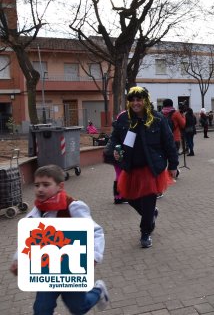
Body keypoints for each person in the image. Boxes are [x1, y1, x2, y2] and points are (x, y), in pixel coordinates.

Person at [10, 164, 109, 314]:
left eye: (46, 184)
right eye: (37, 185)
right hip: (47, 270)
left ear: (60, 186)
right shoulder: (36, 212)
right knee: (41, 309)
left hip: (71, 269)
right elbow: (28, 238)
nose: (40, 189)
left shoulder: (73, 207)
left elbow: (95, 231)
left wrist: (94, 256)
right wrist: (19, 259)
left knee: (78, 308)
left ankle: (98, 291)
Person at [112, 86, 178, 248]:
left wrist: (173, 165)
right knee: (128, 196)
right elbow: (114, 139)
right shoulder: (124, 119)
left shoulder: (158, 119)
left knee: (148, 200)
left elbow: (169, 142)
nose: (136, 103)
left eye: (139, 99)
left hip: (151, 167)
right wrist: (114, 149)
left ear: (146, 101)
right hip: (131, 167)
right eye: (133, 100)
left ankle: (145, 232)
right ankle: (151, 215)